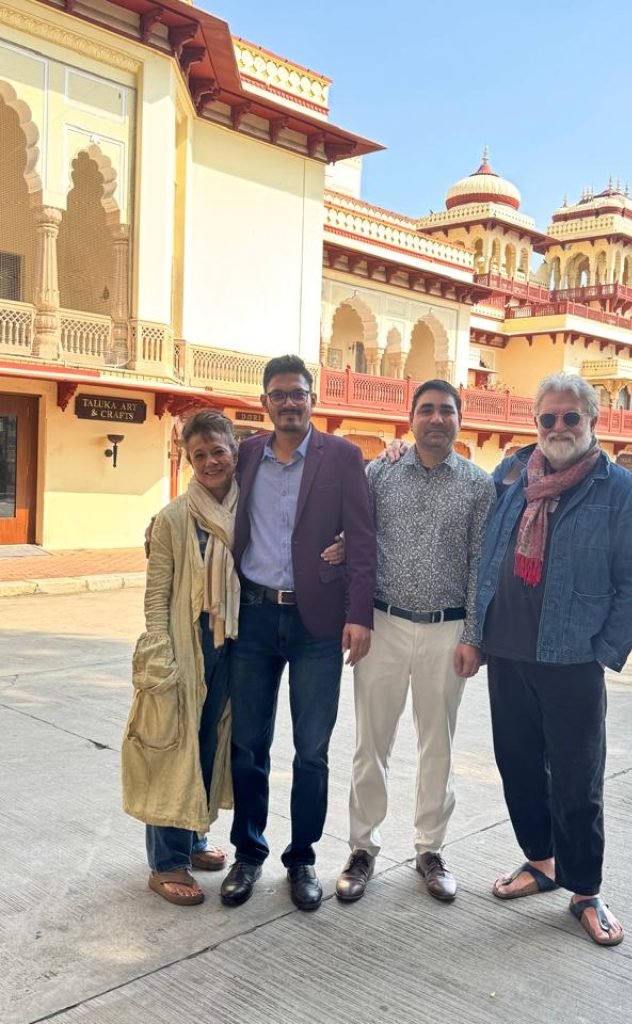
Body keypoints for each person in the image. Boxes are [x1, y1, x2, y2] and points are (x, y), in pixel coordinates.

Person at [477, 372, 632, 946]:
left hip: (572, 659)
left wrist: (601, 652)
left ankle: (585, 888)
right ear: (536, 422)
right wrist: (476, 635)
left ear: (593, 421)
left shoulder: (618, 489)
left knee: (577, 780)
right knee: (520, 768)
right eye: (548, 418)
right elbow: (484, 554)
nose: (558, 428)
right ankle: (543, 862)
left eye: (570, 417)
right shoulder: (512, 475)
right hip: (508, 651)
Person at [221, 354, 376, 912]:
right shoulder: (244, 456)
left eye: (299, 393)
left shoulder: (342, 457)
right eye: (279, 394)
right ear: (265, 402)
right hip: (254, 617)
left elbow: (361, 540)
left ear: (314, 400)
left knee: (312, 751)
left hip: (318, 624)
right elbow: (206, 500)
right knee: (249, 746)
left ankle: (302, 857)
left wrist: (360, 615)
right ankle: (248, 852)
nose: (290, 402)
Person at [335, 380, 494, 903]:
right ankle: (363, 848)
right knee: (370, 744)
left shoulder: (477, 485)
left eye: (446, 410)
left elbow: (479, 565)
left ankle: (430, 848)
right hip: (383, 626)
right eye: (426, 410)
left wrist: (474, 635)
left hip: (447, 629)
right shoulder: (379, 473)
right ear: (410, 419)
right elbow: (353, 540)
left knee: (438, 745)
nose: (435, 419)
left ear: (458, 419)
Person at [121, 410, 240, 906]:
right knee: (170, 747)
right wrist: (160, 656)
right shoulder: (173, 518)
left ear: (235, 450)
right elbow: (157, 595)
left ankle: (192, 837)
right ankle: (165, 862)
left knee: (210, 745)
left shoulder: (248, 508)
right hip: (184, 648)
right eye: (199, 455)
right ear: (187, 460)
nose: (210, 461)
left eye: (218, 451)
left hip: (232, 646)